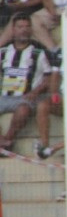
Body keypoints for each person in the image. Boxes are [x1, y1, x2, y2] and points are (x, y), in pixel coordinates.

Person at [0, 14, 51, 153]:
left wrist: (35, 92)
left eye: (27, 26)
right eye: (20, 27)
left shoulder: (39, 52)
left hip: (26, 98)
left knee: (23, 110)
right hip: (4, 97)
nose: (24, 30)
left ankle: (7, 141)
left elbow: (49, 77)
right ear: (13, 30)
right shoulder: (3, 52)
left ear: (31, 29)